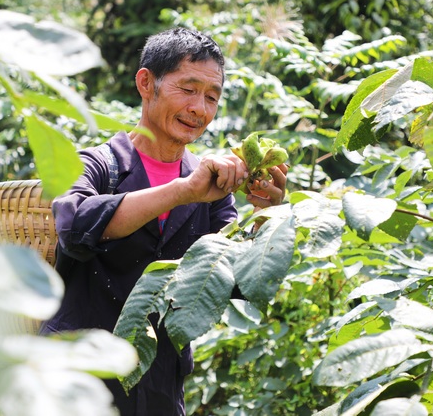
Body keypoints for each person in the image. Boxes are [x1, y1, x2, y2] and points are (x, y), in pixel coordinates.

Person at [40, 27, 287, 415]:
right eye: (187, 90)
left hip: (158, 387)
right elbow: (74, 227)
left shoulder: (211, 187)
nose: (199, 109)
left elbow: (239, 279)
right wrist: (183, 191)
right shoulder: (98, 164)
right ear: (146, 83)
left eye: (211, 97)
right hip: (75, 381)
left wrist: (265, 214)